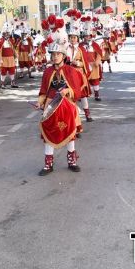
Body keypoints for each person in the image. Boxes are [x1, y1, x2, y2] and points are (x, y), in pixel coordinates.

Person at [35, 16, 83, 176]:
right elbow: (43, 90)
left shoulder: (70, 71)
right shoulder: (48, 71)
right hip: (51, 106)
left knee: (69, 133)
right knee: (49, 133)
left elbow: (77, 90)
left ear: (63, 55)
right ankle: (48, 164)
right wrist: (40, 101)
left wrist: (67, 91)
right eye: (53, 54)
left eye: (58, 54)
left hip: (67, 106)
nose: (55, 57)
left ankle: (72, 160)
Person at [65, 12, 93, 124]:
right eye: (71, 37)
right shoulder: (66, 48)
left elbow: (85, 63)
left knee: (83, 96)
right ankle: (75, 119)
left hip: (79, 75)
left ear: (77, 38)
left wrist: (78, 63)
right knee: (72, 98)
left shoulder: (81, 49)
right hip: (68, 76)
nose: (72, 39)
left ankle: (87, 114)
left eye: (74, 38)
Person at [80, 17, 104, 101]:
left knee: (95, 81)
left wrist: (97, 61)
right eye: (85, 36)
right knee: (82, 81)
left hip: (93, 65)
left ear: (91, 36)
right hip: (83, 65)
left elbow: (99, 53)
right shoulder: (80, 45)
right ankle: (82, 95)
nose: (87, 37)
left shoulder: (95, 44)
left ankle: (96, 95)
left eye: (88, 36)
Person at [0, 24, 19, 89]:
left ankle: (12, 83)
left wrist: (15, 56)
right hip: (4, 59)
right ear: (3, 34)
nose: (7, 35)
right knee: (3, 72)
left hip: (11, 59)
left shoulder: (10, 41)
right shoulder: (0, 41)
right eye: (6, 33)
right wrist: (0, 59)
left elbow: (13, 49)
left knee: (12, 71)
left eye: (8, 33)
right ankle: (2, 84)